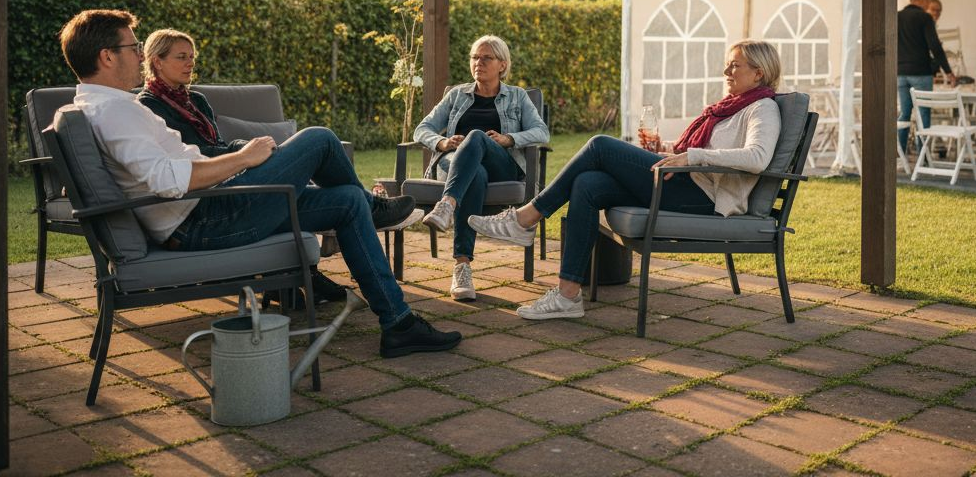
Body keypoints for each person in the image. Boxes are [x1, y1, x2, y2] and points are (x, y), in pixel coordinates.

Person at [59, 10, 459, 358]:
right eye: (133, 47)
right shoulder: (114, 112)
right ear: (107, 56)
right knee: (319, 139)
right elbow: (168, 180)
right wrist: (243, 159)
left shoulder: (101, 106)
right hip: (202, 220)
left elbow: (165, 166)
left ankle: (398, 323)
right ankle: (380, 212)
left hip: (208, 206)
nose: (138, 54)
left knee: (348, 200)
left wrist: (237, 166)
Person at [466, 39, 782, 321]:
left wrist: (692, 156)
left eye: (735, 65)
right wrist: (668, 149)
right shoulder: (727, 109)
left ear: (758, 73)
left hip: (705, 199)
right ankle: (567, 295)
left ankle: (526, 218)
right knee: (587, 183)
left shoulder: (762, 108)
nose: (726, 70)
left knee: (600, 144)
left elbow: (757, 158)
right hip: (685, 182)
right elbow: (704, 150)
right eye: (727, 64)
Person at [136, 28, 416, 306]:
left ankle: (396, 316)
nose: (190, 64)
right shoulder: (148, 107)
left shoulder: (195, 100)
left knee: (349, 198)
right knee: (321, 138)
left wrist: (246, 149)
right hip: (212, 203)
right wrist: (243, 152)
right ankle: (374, 208)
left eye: (192, 57)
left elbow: (217, 143)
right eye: (181, 57)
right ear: (157, 61)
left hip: (231, 183)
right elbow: (193, 157)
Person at [413, 36, 549, 301]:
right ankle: (462, 267)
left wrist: (508, 139)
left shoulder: (518, 96)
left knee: (476, 136)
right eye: (475, 57)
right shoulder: (456, 96)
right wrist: (442, 142)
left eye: (486, 58)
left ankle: (447, 204)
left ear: (502, 64)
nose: (478, 63)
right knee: (475, 173)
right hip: (456, 164)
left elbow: (541, 132)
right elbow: (422, 129)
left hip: (501, 163)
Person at [898, 0, 956, 152]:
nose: (928, 4)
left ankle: (900, 153)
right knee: (923, 114)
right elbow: (935, 47)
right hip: (920, 72)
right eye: (929, 0)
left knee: (904, 114)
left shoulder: (896, 16)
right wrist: (949, 72)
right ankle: (923, 156)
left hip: (900, 73)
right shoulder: (924, 18)